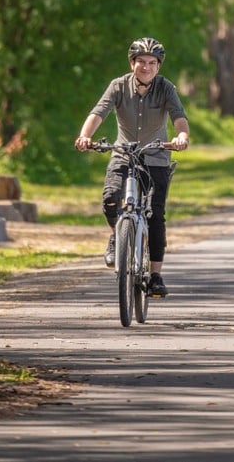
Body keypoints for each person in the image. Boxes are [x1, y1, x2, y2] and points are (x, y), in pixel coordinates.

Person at [74, 37, 190, 297]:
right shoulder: (118, 86)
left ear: (158, 66)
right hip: (123, 153)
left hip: (156, 156)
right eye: (141, 62)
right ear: (132, 63)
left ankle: (156, 275)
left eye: (151, 63)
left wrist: (181, 136)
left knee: (155, 215)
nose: (146, 67)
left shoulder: (166, 88)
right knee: (110, 200)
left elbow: (178, 117)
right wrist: (85, 136)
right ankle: (118, 234)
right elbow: (99, 112)